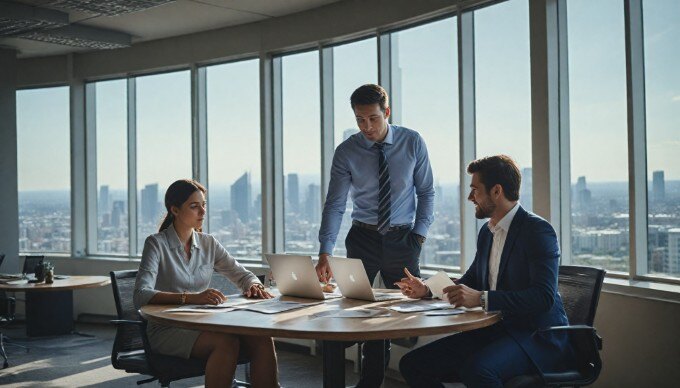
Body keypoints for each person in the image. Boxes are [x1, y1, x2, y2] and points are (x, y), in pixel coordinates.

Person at [396, 155, 574, 387]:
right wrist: (427, 289)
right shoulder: (487, 232)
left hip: (535, 336)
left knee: (478, 371)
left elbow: (543, 297)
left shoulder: (537, 231)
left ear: (496, 191)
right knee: (413, 364)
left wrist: (481, 298)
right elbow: (471, 280)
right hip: (496, 330)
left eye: (475, 190)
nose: (470, 197)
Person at [316, 84, 435, 387]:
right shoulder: (347, 151)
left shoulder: (412, 142)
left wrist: (418, 238)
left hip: (402, 239)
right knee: (352, 310)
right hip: (363, 239)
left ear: (387, 113)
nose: (366, 127)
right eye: (359, 120)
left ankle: (370, 382)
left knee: (401, 315)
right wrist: (325, 251)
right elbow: (335, 204)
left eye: (373, 118)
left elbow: (426, 193)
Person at [134, 179, 279, 388]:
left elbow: (242, 274)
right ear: (175, 210)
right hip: (167, 328)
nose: (202, 211)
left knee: (262, 338)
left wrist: (255, 285)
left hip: (203, 322)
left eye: (204, 204)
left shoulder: (208, 243)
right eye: (194, 206)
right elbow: (140, 294)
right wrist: (191, 298)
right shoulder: (156, 244)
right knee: (225, 343)